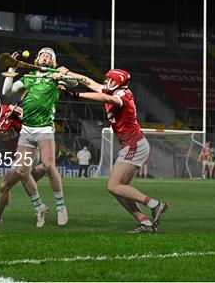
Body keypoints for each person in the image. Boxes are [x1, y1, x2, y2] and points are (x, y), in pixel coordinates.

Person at [57, 67, 168, 233]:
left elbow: (104, 98)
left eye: (111, 80)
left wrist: (76, 95)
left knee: (113, 186)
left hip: (135, 144)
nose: (107, 82)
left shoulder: (123, 95)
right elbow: (88, 81)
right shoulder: (113, 90)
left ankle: (156, 205)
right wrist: (67, 73)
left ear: (119, 83)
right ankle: (145, 222)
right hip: (131, 145)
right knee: (120, 190)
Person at [2, 48, 77, 227]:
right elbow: (7, 91)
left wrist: (62, 76)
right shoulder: (29, 78)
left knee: (49, 165)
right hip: (27, 130)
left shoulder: (55, 77)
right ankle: (39, 207)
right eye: (43, 55)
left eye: (49, 56)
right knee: (21, 171)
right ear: (37, 60)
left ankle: (61, 206)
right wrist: (12, 69)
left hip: (45, 129)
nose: (45, 57)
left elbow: (74, 83)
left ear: (52, 62)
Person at [0, 91, 47, 223]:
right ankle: (44, 169)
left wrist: (20, 116)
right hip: (18, 156)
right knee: (6, 186)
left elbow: (33, 122)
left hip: (30, 149)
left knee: (14, 179)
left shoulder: (12, 111)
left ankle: (39, 207)